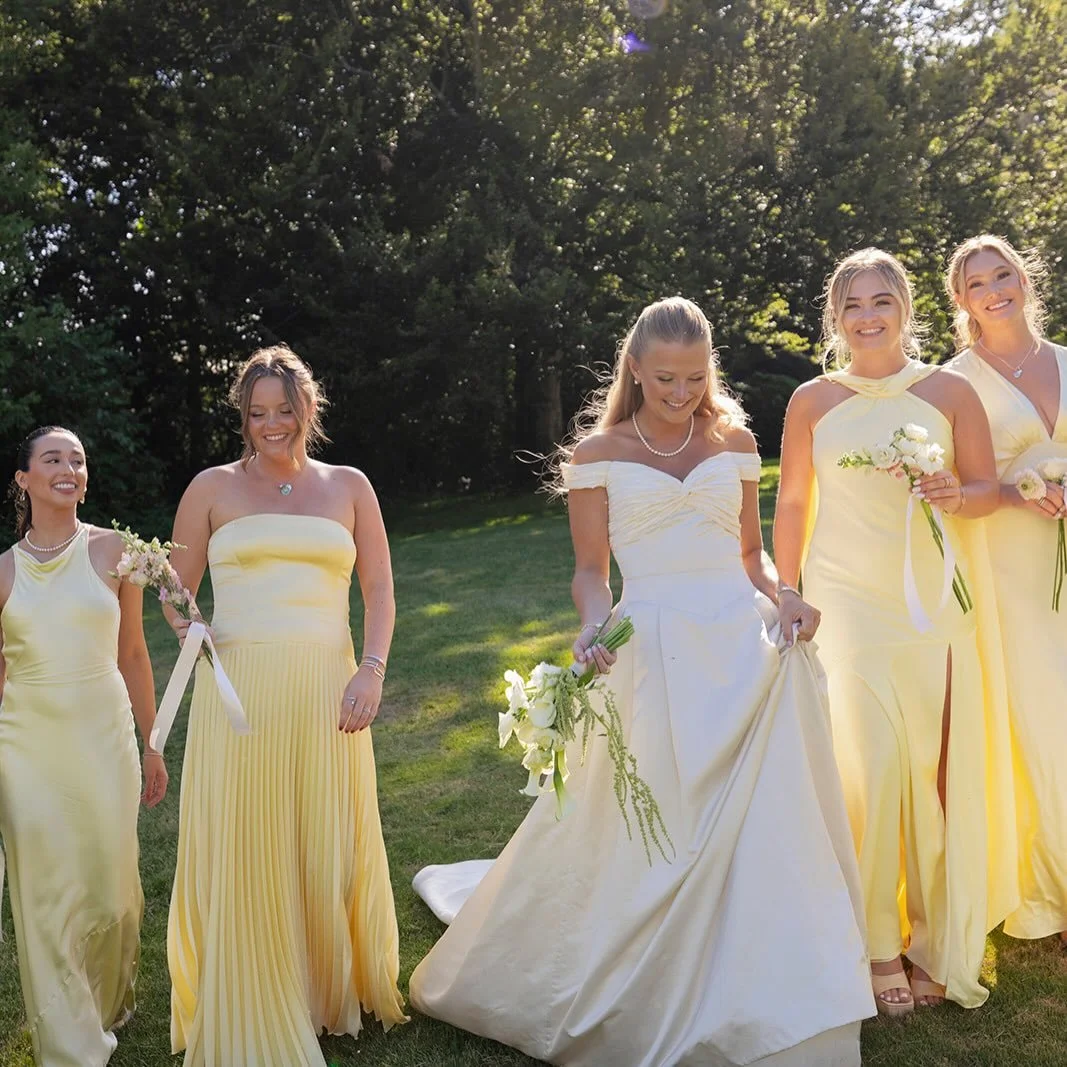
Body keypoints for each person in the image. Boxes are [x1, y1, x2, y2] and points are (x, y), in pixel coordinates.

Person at [409, 297, 874, 1067]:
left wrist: (784, 595)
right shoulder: (598, 453)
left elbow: (750, 556)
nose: (680, 392)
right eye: (664, 378)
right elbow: (591, 571)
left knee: (760, 817)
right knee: (659, 814)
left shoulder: (735, 442)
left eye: (693, 377)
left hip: (739, 643)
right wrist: (594, 623)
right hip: (652, 644)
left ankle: (759, 971)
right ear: (634, 368)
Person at [774, 248, 1017, 1013]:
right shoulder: (811, 400)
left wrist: (955, 492)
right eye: (851, 305)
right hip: (845, 604)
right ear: (835, 317)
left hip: (931, 607)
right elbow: (791, 502)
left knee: (932, 772)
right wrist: (787, 589)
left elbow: (985, 490)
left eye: (880, 300)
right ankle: (877, 940)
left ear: (905, 307)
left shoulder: (948, 391)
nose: (867, 316)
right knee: (872, 769)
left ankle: (935, 941)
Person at [164, 345, 406, 1066]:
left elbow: (380, 591)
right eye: (257, 413)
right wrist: (191, 629)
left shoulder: (350, 486)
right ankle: (251, 992)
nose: (272, 424)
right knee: (249, 835)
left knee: (321, 836)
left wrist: (371, 670)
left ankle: (321, 989)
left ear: (309, 407)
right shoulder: (210, 487)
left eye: (285, 409)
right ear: (243, 417)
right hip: (240, 690)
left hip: (329, 688)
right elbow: (175, 589)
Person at [0, 425, 166, 1066]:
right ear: (24, 478)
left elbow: (134, 653)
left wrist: (152, 742)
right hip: (24, 747)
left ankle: (105, 997)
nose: (68, 468)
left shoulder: (117, 552)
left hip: (104, 740)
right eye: (53, 459)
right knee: (44, 892)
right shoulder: (2, 572)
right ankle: (68, 1045)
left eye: (78, 460)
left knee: (108, 885)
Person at [946, 234, 1067, 942]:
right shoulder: (954, 383)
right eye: (976, 284)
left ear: (1024, 278)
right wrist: (1020, 488)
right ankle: (1049, 883)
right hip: (1007, 565)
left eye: (1002, 276)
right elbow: (956, 485)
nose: (993, 292)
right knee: (1039, 712)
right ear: (961, 301)